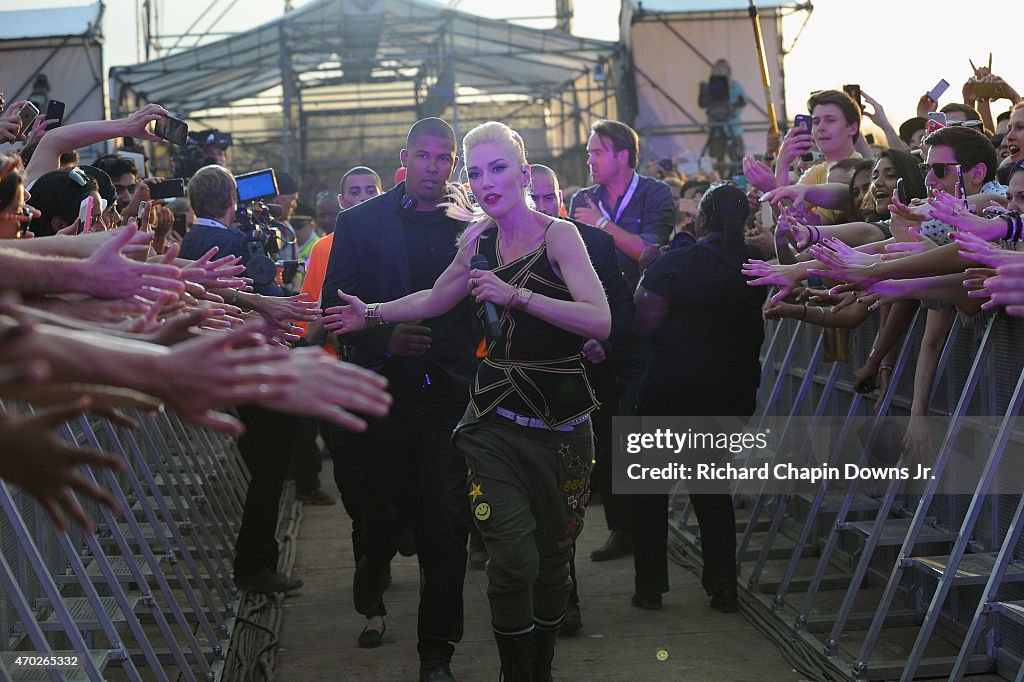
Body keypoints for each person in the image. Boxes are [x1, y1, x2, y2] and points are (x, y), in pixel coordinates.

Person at [324, 121, 610, 681]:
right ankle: (510, 671)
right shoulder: (475, 240)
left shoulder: (560, 236)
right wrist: (373, 316)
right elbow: (434, 298)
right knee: (509, 562)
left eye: (497, 168)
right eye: (475, 172)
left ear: (524, 174)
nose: (484, 181)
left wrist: (516, 296)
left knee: (553, 563)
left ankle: (537, 667)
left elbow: (600, 319)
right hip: (492, 418)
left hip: (563, 422)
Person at [320, 119, 474, 682]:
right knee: (378, 514)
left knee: (446, 524)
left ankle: (437, 653)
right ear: (404, 158)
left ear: (453, 164)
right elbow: (333, 315)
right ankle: (372, 589)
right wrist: (387, 339)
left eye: (444, 158)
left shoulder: (473, 227)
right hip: (381, 396)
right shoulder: (360, 224)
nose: (434, 167)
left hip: (449, 400)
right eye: (424, 156)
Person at [631, 182, 767, 612]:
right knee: (712, 492)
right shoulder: (753, 263)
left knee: (649, 494)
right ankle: (723, 586)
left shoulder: (678, 263)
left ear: (703, 219)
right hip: (728, 393)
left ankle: (650, 587)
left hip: (670, 392)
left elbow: (645, 322)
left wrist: (648, 269)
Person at [529, 163, 633, 637]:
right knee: (538, 501)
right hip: (523, 394)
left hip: (586, 388)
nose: (542, 207)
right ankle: (554, 595)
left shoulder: (597, 245)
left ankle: (562, 597)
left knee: (568, 501)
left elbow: (621, 308)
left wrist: (603, 342)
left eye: (549, 197)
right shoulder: (491, 249)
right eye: (533, 198)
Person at [567, 119, 675, 563]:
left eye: (597, 151)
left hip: (645, 329)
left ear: (623, 156)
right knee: (606, 429)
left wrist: (603, 225)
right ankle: (619, 528)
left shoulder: (655, 194)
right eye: (590, 152)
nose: (590, 158)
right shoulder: (580, 199)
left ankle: (647, 526)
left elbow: (648, 252)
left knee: (640, 426)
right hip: (599, 327)